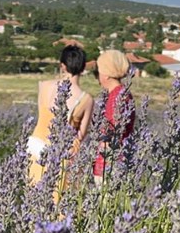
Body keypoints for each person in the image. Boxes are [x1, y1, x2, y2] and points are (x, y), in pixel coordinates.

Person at [27, 45, 94, 188]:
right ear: (83, 68)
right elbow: (81, 134)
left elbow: (41, 115)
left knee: (34, 198)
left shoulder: (44, 86)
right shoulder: (86, 99)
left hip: (36, 148)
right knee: (59, 202)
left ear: (62, 66)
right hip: (64, 155)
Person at [93, 49, 136, 184]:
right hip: (119, 161)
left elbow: (110, 133)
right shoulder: (124, 93)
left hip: (109, 166)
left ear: (106, 75)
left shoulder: (116, 97)